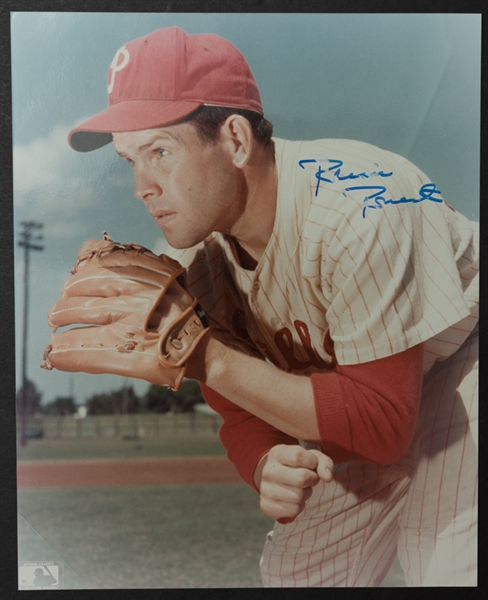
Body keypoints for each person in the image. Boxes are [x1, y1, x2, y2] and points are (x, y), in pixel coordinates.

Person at [66, 27, 478, 586]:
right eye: (130, 160)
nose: (142, 185)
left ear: (235, 139)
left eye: (160, 151)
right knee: (299, 574)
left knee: (447, 566)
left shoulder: (361, 200)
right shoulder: (206, 272)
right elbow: (241, 412)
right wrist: (264, 461)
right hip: (377, 389)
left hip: (466, 356)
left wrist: (206, 355)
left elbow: (383, 423)